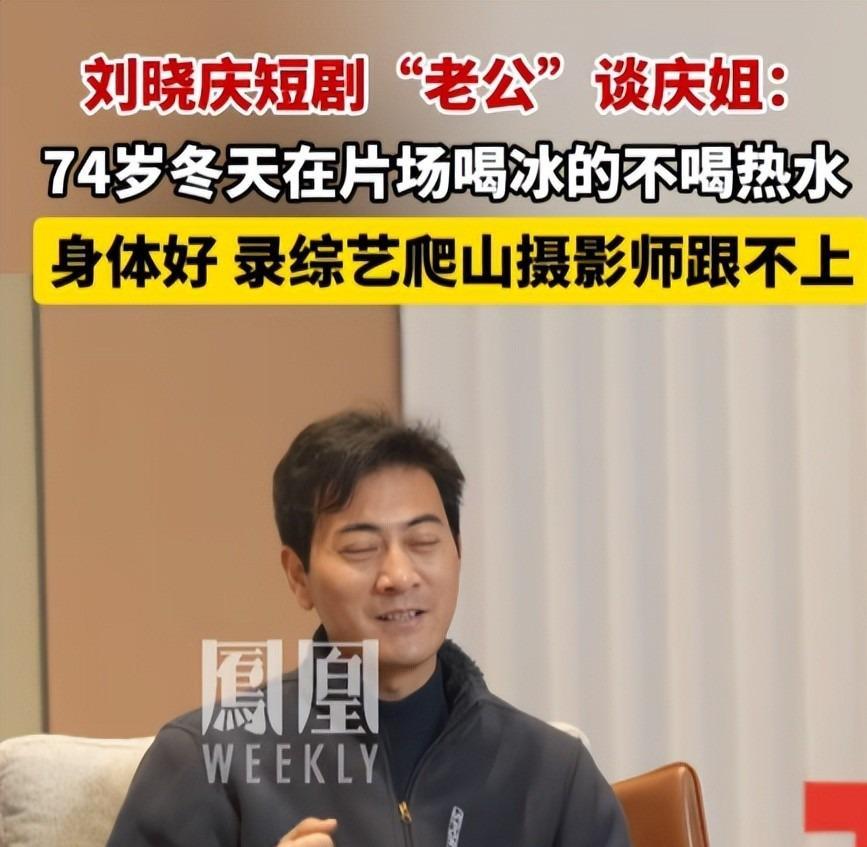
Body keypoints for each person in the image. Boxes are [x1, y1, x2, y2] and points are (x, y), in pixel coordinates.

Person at [107, 410, 631, 847]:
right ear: (298, 576)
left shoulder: (552, 775)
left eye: (423, 541)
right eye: (361, 548)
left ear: (457, 552)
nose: (399, 576)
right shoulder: (209, 762)